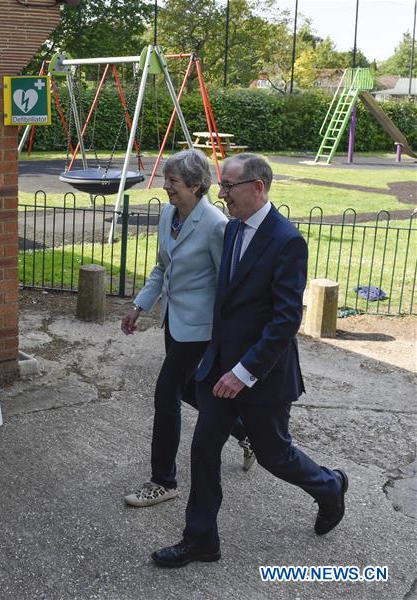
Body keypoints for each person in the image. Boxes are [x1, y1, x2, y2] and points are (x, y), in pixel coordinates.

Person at [151, 153, 348, 567]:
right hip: (220, 368)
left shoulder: (286, 240)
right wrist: (211, 360)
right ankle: (201, 540)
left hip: (262, 375)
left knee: (275, 455)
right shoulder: (232, 230)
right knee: (204, 450)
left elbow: (285, 321)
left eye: (229, 186)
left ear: (257, 187)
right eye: (221, 186)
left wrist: (243, 373)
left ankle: (329, 486)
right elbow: (222, 302)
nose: (221, 194)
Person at [121, 149, 254, 509]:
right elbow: (162, 267)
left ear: (195, 186)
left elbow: (226, 283)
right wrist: (139, 306)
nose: (165, 186)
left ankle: (163, 481)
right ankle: (246, 431)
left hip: (200, 329)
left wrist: (227, 335)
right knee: (190, 389)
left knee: (166, 394)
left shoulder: (215, 224)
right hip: (173, 321)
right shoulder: (169, 215)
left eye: (173, 181)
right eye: (165, 179)